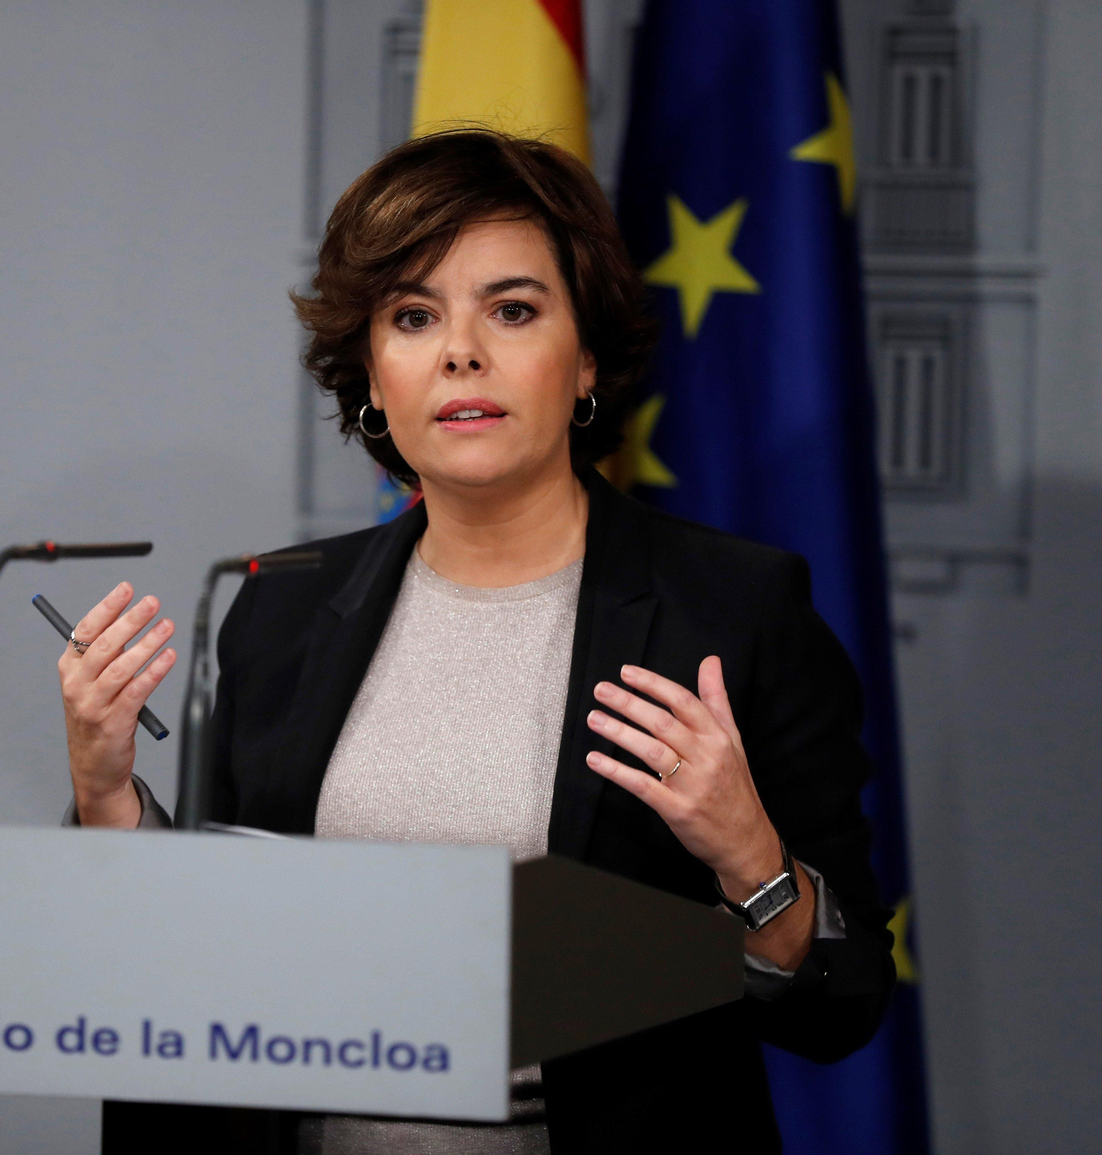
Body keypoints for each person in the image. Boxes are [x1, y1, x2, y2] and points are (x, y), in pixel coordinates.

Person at [54, 129, 895, 1154]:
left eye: (512, 309)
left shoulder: (731, 608)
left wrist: (750, 855)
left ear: (584, 360)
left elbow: (843, 1009)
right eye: (412, 316)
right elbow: (209, 954)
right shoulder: (279, 608)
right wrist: (107, 799)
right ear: (370, 371)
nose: (461, 351)